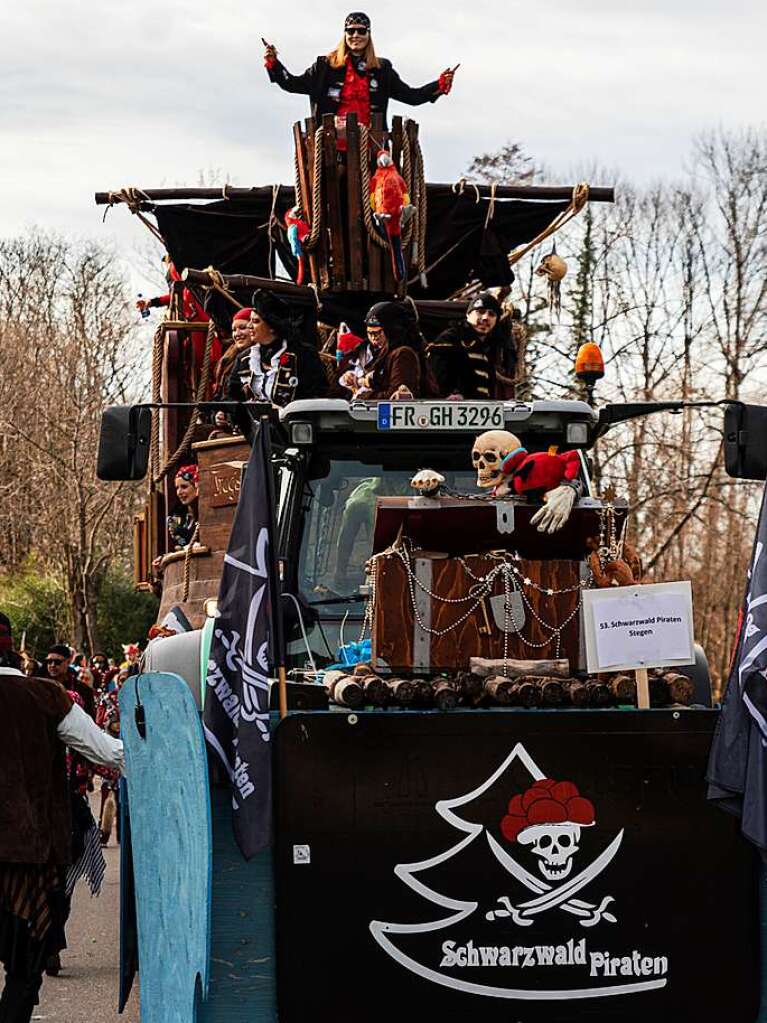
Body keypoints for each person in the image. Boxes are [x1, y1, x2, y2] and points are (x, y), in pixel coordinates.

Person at [0, 616, 123, 1023]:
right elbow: (109, 753)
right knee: (24, 969)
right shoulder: (45, 697)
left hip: (25, 851)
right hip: (26, 857)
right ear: (15, 653)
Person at [263, 13, 455, 132]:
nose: (355, 35)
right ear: (345, 34)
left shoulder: (381, 69)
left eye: (361, 31)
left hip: (371, 141)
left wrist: (439, 85)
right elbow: (293, 84)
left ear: (368, 35)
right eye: (351, 31)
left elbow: (411, 96)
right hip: (331, 141)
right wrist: (274, 64)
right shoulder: (325, 65)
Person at [227, 290, 328, 437]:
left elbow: (317, 395)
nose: (249, 326)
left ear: (272, 327)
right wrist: (229, 415)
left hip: (293, 434)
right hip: (252, 436)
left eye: (255, 322)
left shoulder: (303, 355)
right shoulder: (245, 359)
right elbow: (232, 396)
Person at [426, 291, 518, 399]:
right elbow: (437, 370)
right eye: (480, 311)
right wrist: (452, 392)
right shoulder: (451, 337)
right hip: (452, 405)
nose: (485, 318)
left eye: (491, 314)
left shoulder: (492, 346)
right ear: (468, 314)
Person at [340, 300, 438, 400]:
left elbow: (396, 400)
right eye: (370, 333)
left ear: (392, 330)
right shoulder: (378, 354)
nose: (374, 338)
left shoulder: (403, 354)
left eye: (377, 333)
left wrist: (360, 396)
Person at [45, 645, 95, 720]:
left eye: (57, 662)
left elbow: (90, 718)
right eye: (49, 662)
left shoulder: (83, 689)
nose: (52, 665)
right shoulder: (41, 686)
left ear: (68, 662)